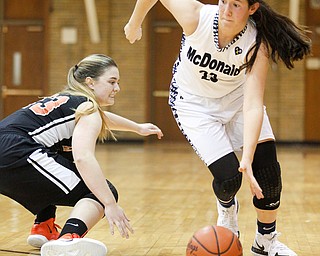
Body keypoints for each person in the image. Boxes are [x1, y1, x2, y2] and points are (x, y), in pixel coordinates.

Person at [124, 0, 311, 255]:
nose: (226, 10)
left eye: (236, 5)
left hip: (237, 102)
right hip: (193, 104)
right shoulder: (195, 16)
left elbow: (254, 104)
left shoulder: (258, 42)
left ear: (252, 9)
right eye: (224, 2)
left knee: (267, 174)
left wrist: (247, 158)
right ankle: (227, 208)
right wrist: (134, 23)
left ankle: (265, 243)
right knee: (229, 179)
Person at [0, 53, 163, 256]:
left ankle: (44, 226)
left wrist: (137, 127)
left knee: (59, 159)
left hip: (10, 146)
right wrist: (109, 203)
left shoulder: (69, 100)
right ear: (90, 82)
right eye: (112, 82)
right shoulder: (88, 108)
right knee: (100, 191)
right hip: (17, 150)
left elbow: (101, 117)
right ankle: (69, 239)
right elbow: (83, 157)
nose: (117, 88)